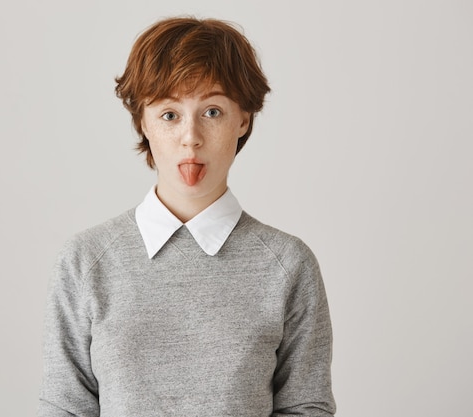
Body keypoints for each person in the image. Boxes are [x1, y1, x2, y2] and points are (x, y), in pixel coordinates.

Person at [38, 16, 335, 417]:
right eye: (169, 114)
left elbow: (306, 407)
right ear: (142, 120)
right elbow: (65, 408)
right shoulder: (85, 260)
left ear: (243, 119)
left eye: (212, 111)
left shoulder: (288, 264)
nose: (191, 137)